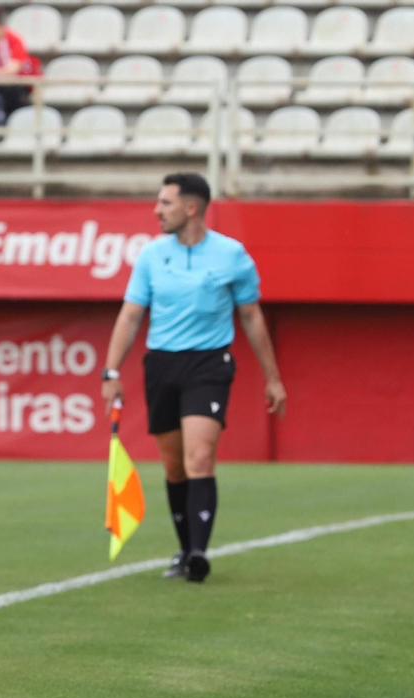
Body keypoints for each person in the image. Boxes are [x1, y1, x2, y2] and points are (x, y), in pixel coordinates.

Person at [100, 173, 287, 585]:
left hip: (209, 364)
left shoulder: (231, 255)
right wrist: (111, 372)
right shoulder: (151, 256)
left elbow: (251, 316)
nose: (156, 210)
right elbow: (130, 316)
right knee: (174, 466)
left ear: (191, 208)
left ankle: (199, 553)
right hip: (162, 366)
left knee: (199, 457)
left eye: (165, 203)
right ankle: (185, 550)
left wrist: (273, 378)